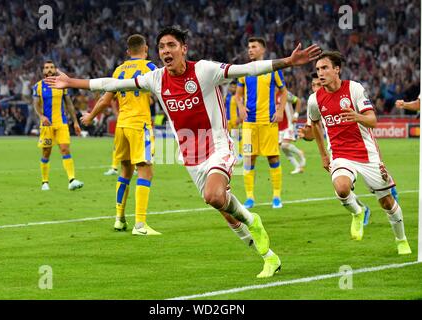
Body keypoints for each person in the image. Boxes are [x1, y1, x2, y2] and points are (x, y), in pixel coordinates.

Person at [45, 26, 321, 278]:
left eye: (171, 45)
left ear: (183, 49)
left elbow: (246, 69)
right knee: (220, 205)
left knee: (215, 195)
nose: (166, 51)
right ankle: (268, 257)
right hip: (190, 156)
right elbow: (112, 85)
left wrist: (287, 61)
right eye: (162, 46)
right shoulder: (155, 79)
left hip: (218, 146)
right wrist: (72, 82)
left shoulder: (204, 70)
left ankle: (253, 220)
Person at [308, 51, 411, 255]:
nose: (320, 73)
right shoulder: (315, 99)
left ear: (337, 69)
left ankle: (401, 240)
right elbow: (315, 126)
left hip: (366, 153)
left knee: (387, 202)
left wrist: (357, 116)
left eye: (325, 68)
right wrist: (322, 154)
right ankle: (358, 211)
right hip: (340, 154)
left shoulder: (353, 89)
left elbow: (373, 120)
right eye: (318, 69)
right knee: (342, 188)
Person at [82, 34, 160, 235]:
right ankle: (140, 225)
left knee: (125, 171)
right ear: (146, 49)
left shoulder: (118, 70)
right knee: (145, 171)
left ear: (128, 51)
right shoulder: (150, 67)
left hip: (121, 126)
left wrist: (90, 116)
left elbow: (106, 100)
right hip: (139, 125)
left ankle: (119, 219)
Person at [236, 37, 286, 209]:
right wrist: (240, 106)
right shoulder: (244, 70)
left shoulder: (273, 69)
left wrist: (280, 110)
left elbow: (284, 91)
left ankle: (277, 197)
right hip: (249, 124)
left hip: (268, 122)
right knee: (249, 159)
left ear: (262, 50)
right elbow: (238, 94)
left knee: (273, 157)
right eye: (249, 47)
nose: (250, 49)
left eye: (254, 47)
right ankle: (250, 198)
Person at [33, 60, 84, 191]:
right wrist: (41, 116)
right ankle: (45, 182)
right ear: (43, 71)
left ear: (55, 69)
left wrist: (76, 122)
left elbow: (69, 104)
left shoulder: (62, 85)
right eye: (46, 68)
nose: (49, 69)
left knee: (65, 149)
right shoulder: (38, 86)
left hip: (61, 123)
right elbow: (36, 104)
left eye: (51, 67)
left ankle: (72, 180)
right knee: (46, 152)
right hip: (47, 125)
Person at [277, 90, 306, 174]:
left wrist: (295, 115)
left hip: (289, 123)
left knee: (285, 145)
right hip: (278, 126)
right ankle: (297, 167)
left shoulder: (284, 93)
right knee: (283, 148)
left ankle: (300, 153)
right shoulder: (269, 95)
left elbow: (298, 101)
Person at [224, 80, 242, 162]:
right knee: (228, 138)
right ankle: (232, 154)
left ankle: (239, 155)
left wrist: (240, 118)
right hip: (228, 121)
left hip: (235, 120)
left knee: (236, 138)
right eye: (232, 86)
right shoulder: (227, 96)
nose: (233, 88)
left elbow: (241, 107)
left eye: (235, 87)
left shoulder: (238, 97)